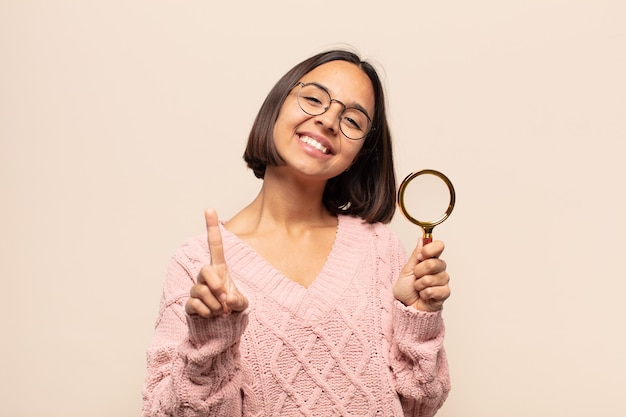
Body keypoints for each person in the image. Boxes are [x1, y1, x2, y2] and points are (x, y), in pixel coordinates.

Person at [142, 49, 451, 417]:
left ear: (361, 151)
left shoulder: (381, 248)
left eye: (352, 120)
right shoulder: (196, 264)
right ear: (278, 104)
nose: (328, 121)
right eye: (314, 99)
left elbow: (420, 408)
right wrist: (210, 343)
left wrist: (419, 321)